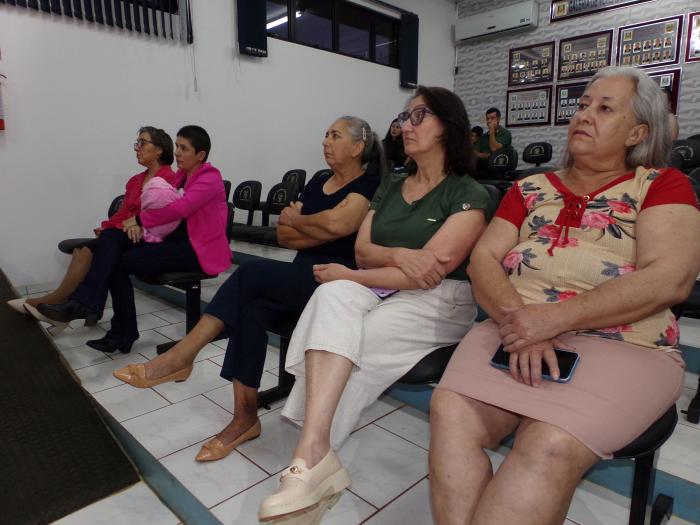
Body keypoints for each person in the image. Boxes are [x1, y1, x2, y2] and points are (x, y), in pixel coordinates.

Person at [429, 66, 700, 525]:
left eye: (605, 108)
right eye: (582, 105)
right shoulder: (528, 189)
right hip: (512, 324)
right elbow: (482, 260)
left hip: (625, 343)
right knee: (451, 411)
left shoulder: (660, 184)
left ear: (637, 133)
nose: (584, 115)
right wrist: (523, 322)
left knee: (548, 442)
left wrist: (554, 319)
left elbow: (669, 279)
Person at [257, 86, 491, 524]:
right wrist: (397, 256)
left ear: (448, 127)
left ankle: (309, 464)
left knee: (355, 340)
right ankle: (314, 456)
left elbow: (430, 273)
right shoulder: (393, 184)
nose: (406, 125)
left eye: (419, 116)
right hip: (379, 284)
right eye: (404, 117)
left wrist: (353, 274)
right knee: (330, 295)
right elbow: (363, 252)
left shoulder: (469, 193)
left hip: (439, 300)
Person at [113, 116, 383, 462]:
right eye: (325, 134)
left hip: (335, 283)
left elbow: (338, 223)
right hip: (300, 275)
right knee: (249, 309)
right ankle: (245, 418)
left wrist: (301, 222)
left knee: (252, 272)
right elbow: (285, 235)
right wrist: (315, 229)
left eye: (335, 135)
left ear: (358, 147)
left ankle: (183, 355)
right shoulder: (319, 183)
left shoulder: (369, 184)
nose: (325, 141)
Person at [38, 126, 230, 354]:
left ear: (201, 154)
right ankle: (98, 312)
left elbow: (180, 209)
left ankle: (113, 325)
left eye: (184, 148)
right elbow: (158, 208)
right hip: (172, 238)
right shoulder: (181, 176)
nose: (177, 152)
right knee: (111, 238)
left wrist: (139, 220)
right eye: (177, 146)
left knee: (115, 259)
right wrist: (135, 223)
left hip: (197, 249)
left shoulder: (210, 178)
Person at [9, 127, 177, 335]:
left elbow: (159, 218)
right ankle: (67, 306)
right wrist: (107, 227)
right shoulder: (135, 180)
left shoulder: (170, 180)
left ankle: (58, 302)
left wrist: (118, 228)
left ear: (159, 149)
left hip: (148, 237)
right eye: (137, 143)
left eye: (142, 143)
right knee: (84, 250)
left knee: (95, 248)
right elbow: (123, 213)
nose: (137, 148)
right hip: (124, 234)